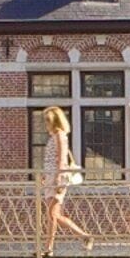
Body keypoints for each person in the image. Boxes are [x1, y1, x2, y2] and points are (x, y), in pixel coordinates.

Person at [38, 103, 90, 245]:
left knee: (52, 214)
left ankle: (50, 247)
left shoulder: (60, 136)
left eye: (47, 121)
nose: (46, 124)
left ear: (54, 121)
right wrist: (45, 176)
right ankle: (83, 236)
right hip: (50, 178)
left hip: (57, 179)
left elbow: (61, 160)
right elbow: (50, 160)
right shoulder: (53, 137)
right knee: (53, 215)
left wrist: (58, 180)